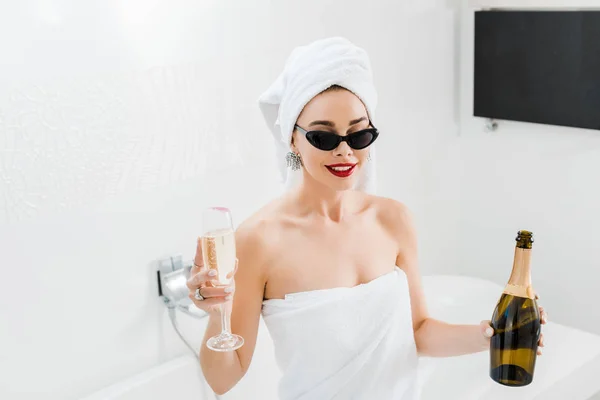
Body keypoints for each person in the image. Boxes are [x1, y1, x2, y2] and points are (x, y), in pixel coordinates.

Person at [186, 37, 547, 399]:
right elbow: (222, 380)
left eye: (359, 134)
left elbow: (418, 331)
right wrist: (216, 312)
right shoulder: (257, 240)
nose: (345, 151)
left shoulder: (393, 219)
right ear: (292, 140)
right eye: (323, 137)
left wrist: (491, 335)